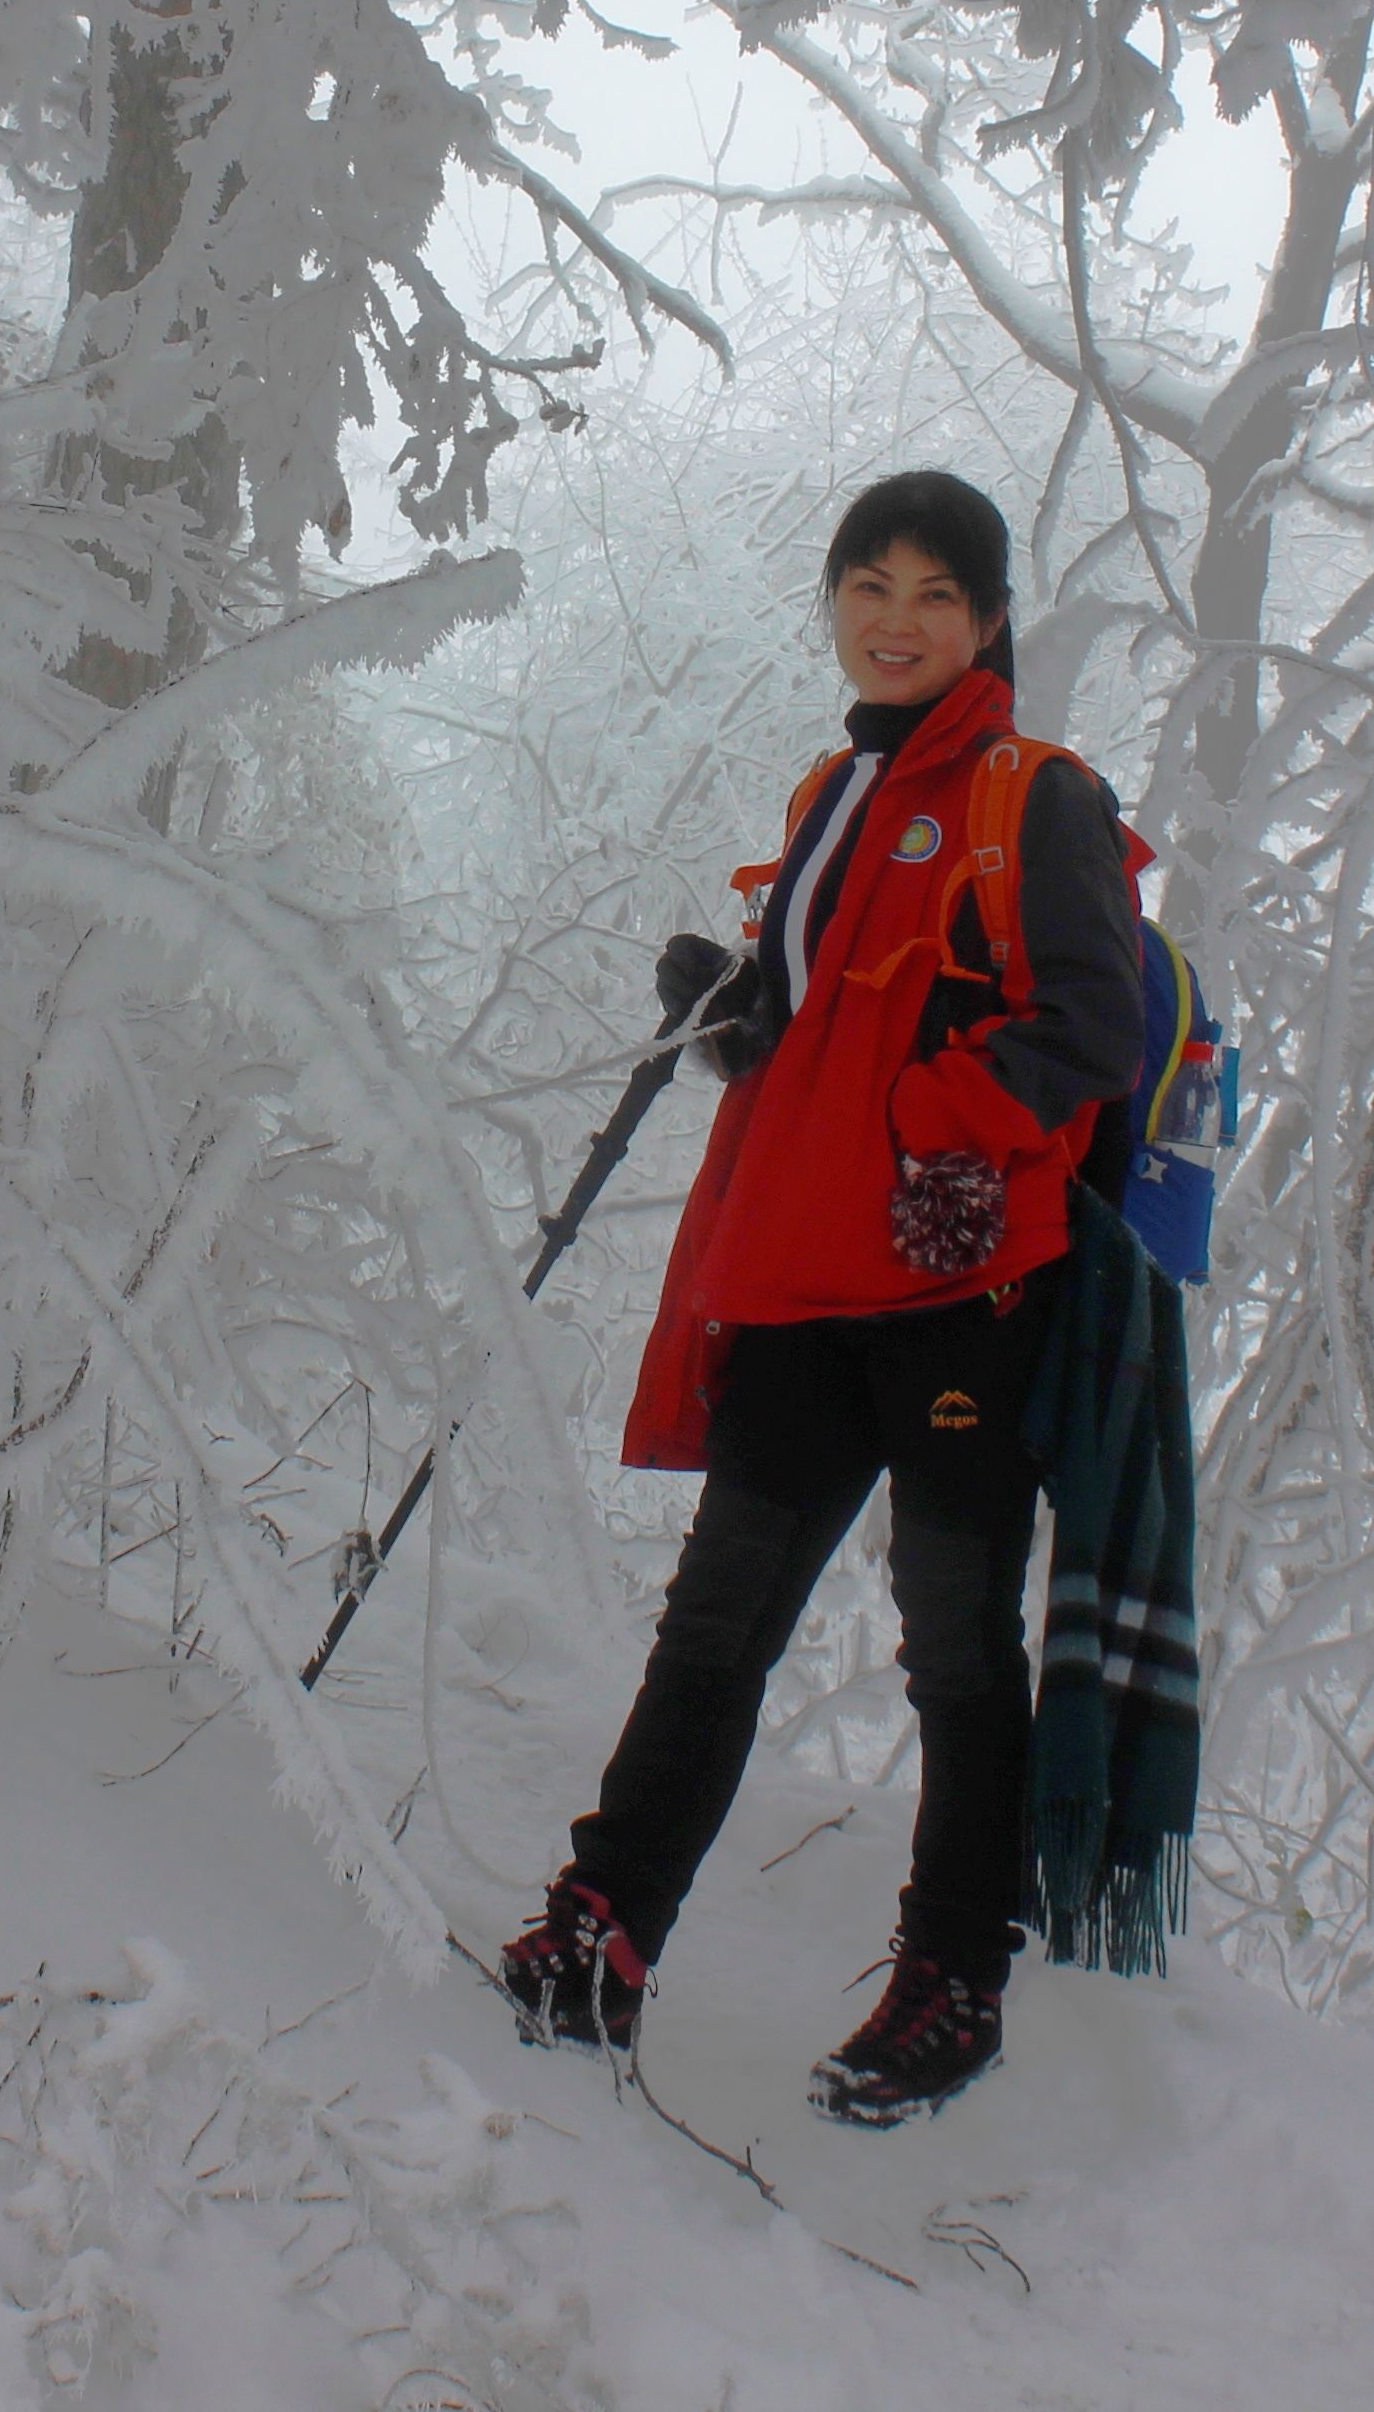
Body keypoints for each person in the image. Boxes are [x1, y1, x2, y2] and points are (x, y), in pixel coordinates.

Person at [498, 470, 1147, 2124]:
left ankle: (954, 1982)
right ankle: (604, 1932)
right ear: (836, 608)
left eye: (936, 592)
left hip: (953, 1296)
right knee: (718, 1624)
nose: (898, 618)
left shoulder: (1036, 797)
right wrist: (727, 1008)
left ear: (990, 620)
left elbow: (1096, 1026)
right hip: (800, 1289)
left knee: (952, 1645)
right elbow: (807, 1040)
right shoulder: (829, 797)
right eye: (870, 586)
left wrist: (939, 1129)